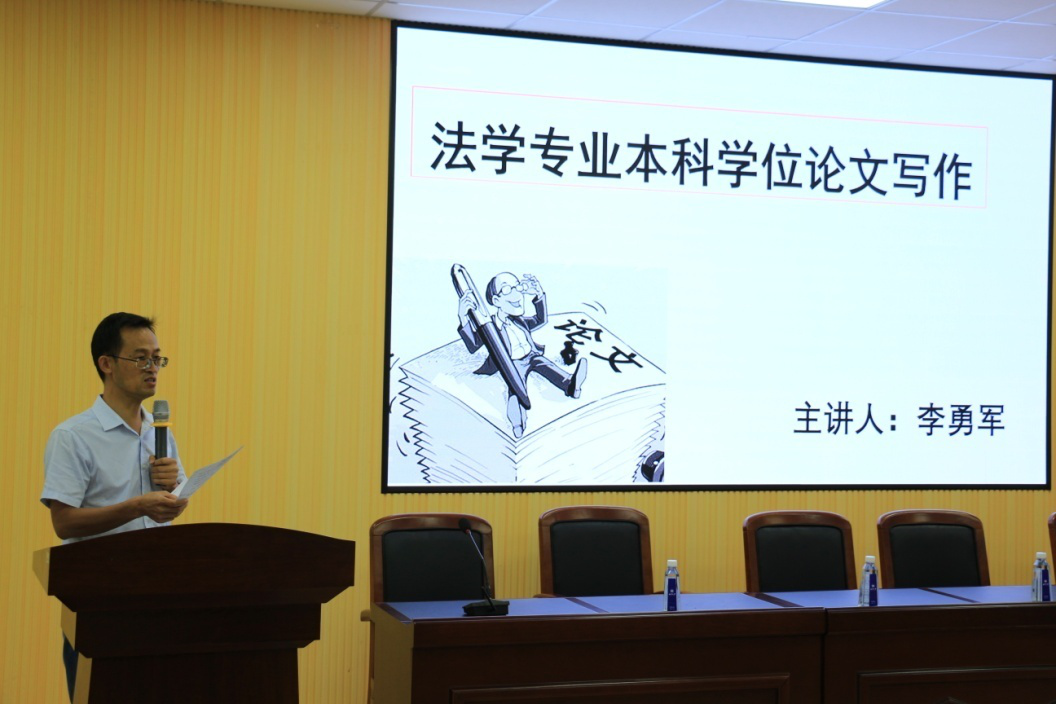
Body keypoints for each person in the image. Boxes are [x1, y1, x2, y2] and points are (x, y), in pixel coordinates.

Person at [40, 312, 189, 700]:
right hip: (99, 602)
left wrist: (173, 491)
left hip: (160, 596)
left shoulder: (160, 432)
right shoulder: (73, 436)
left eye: (157, 358)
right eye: (140, 358)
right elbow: (64, 522)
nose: (152, 368)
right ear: (106, 364)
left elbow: (171, 506)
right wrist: (137, 506)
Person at [458, 272, 587, 438]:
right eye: (507, 289)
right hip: (513, 362)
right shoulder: (489, 328)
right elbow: (473, 345)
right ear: (496, 301)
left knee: (546, 364)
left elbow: (540, 319)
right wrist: (463, 317)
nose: (517, 293)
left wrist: (539, 294)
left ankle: (571, 385)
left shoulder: (519, 320)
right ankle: (517, 420)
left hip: (532, 356)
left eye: (518, 287)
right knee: (516, 383)